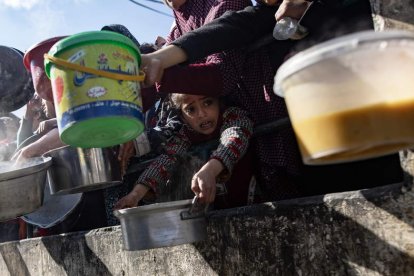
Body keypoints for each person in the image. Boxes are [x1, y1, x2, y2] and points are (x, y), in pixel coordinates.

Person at [140, 0, 403, 197]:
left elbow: (222, 71)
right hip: (317, 137)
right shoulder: (269, 14)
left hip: (379, 120)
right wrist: (157, 61)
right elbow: (227, 29)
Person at [115, 94, 254, 209]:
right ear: (182, 116)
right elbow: (165, 162)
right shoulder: (185, 134)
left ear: (219, 101)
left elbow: (233, 138)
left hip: (252, 205)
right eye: (191, 109)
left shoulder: (235, 116)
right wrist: (135, 195)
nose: (201, 114)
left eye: (208, 103)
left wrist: (210, 170)